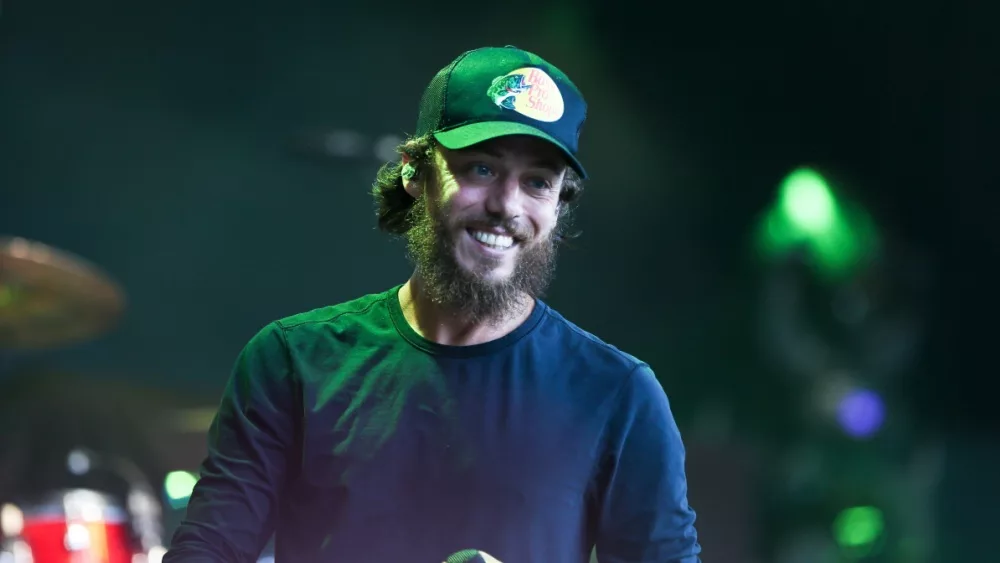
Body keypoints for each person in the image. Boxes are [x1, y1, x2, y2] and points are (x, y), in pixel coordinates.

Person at [164, 45, 701, 563]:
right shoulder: (292, 360)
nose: (506, 205)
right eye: (481, 169)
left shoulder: (619, 395)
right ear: (413, 172)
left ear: (559, 206)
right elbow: (208, 550)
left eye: (537, 182)